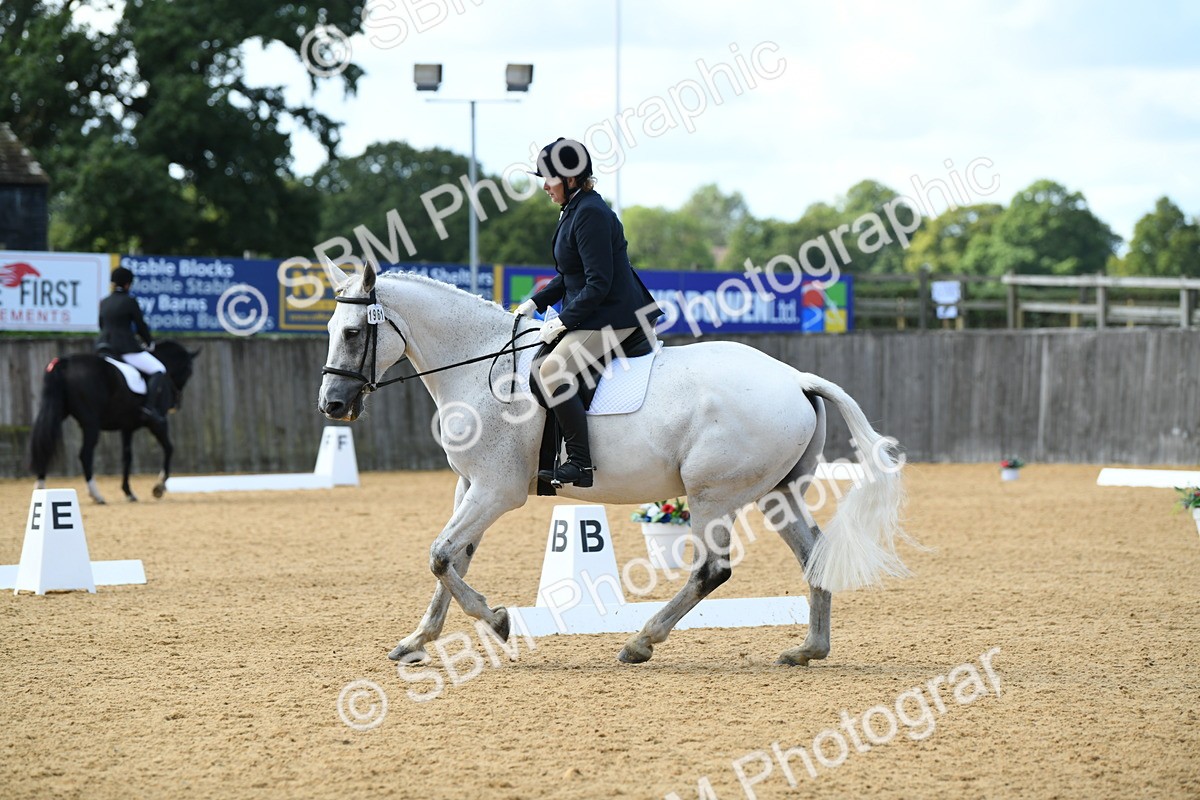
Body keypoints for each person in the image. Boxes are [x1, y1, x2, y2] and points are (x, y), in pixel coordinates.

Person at [516, 138, 662, 488]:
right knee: (537, 363)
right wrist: (536, 302)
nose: (545, 187)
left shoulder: (591, 213)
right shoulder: (575, 209)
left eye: (549, 179)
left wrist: (564, 320)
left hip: (617, 316)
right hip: (598, 311)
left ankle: (580, 463)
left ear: (569, 178)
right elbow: (570, 276)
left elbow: (598, 283)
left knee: (552, 370)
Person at [97, 266, 168, 425]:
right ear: (128, 284)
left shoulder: (104, 302)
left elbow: (101, 325)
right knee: (159, 369)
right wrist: (149, 342)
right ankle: (149, 408)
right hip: (125, 349)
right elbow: (140, 325)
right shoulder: (130, 301)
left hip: (103, 346)